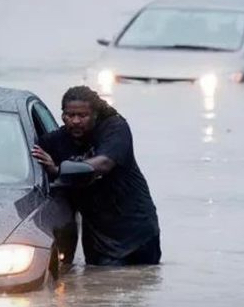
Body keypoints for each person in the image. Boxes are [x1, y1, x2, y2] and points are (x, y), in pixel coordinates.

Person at [31, 86, 161, 266]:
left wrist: (58, 170)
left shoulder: (115, 129)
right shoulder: (56, 142)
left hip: (136, 230)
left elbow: (103, 164)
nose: (75, 121)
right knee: (99, 285)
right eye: (70, 115)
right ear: (62, 116)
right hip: (99, 237)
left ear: (95, 115)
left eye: (82, 116)